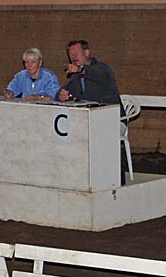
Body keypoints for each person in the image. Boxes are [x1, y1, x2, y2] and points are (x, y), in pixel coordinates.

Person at [58, 40, 128, 183]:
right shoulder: (75, 76)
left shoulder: (102, 69)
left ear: (87, 53)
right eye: (70, 54)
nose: (73, 56)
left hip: (114, 121)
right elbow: (65, 91)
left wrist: (81, 69)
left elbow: (97, 76)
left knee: (99, 137)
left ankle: (115, 179)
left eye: (76, 53)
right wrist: (62, 95)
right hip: (89, 121)